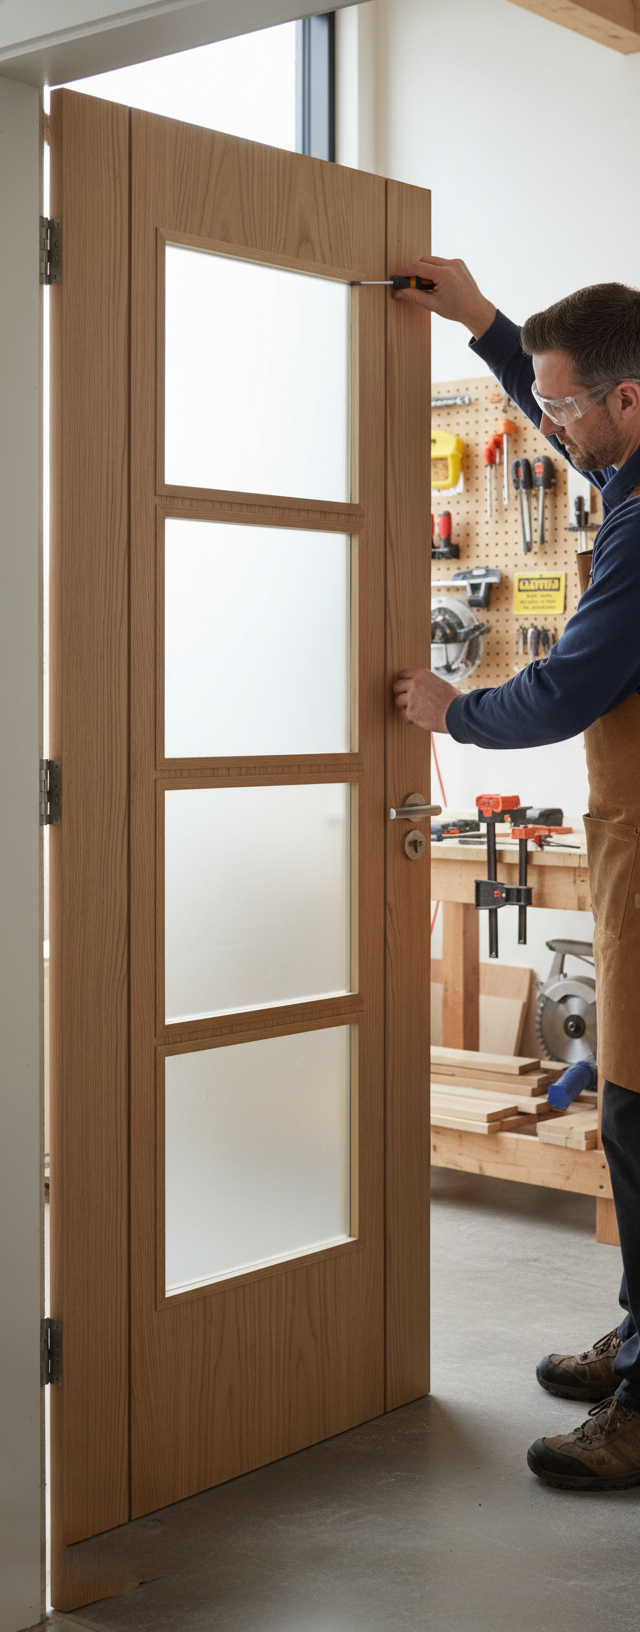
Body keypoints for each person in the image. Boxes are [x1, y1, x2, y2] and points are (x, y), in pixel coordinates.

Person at [392, 260, 640, 1491]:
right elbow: (570, 439)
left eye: (566, 407)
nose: (551, 430)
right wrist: (485, 327)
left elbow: (567, 685)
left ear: (629, 400)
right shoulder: (630, 471)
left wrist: (451, 711)